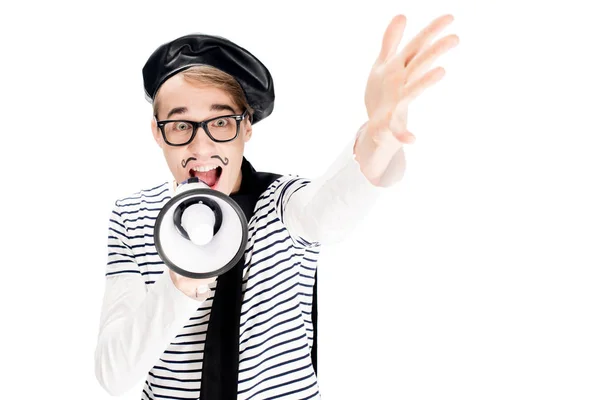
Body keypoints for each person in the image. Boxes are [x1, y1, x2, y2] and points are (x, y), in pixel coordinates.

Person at [94, 14, 459, 400]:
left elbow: (330, 210)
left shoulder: (282, 203)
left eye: (220, 122)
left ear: (246, 127)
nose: (200, 148)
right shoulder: (133, 216)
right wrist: (179, 283)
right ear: (157, 131)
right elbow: (113, 374)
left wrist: (379, 137)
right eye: (181, 125)